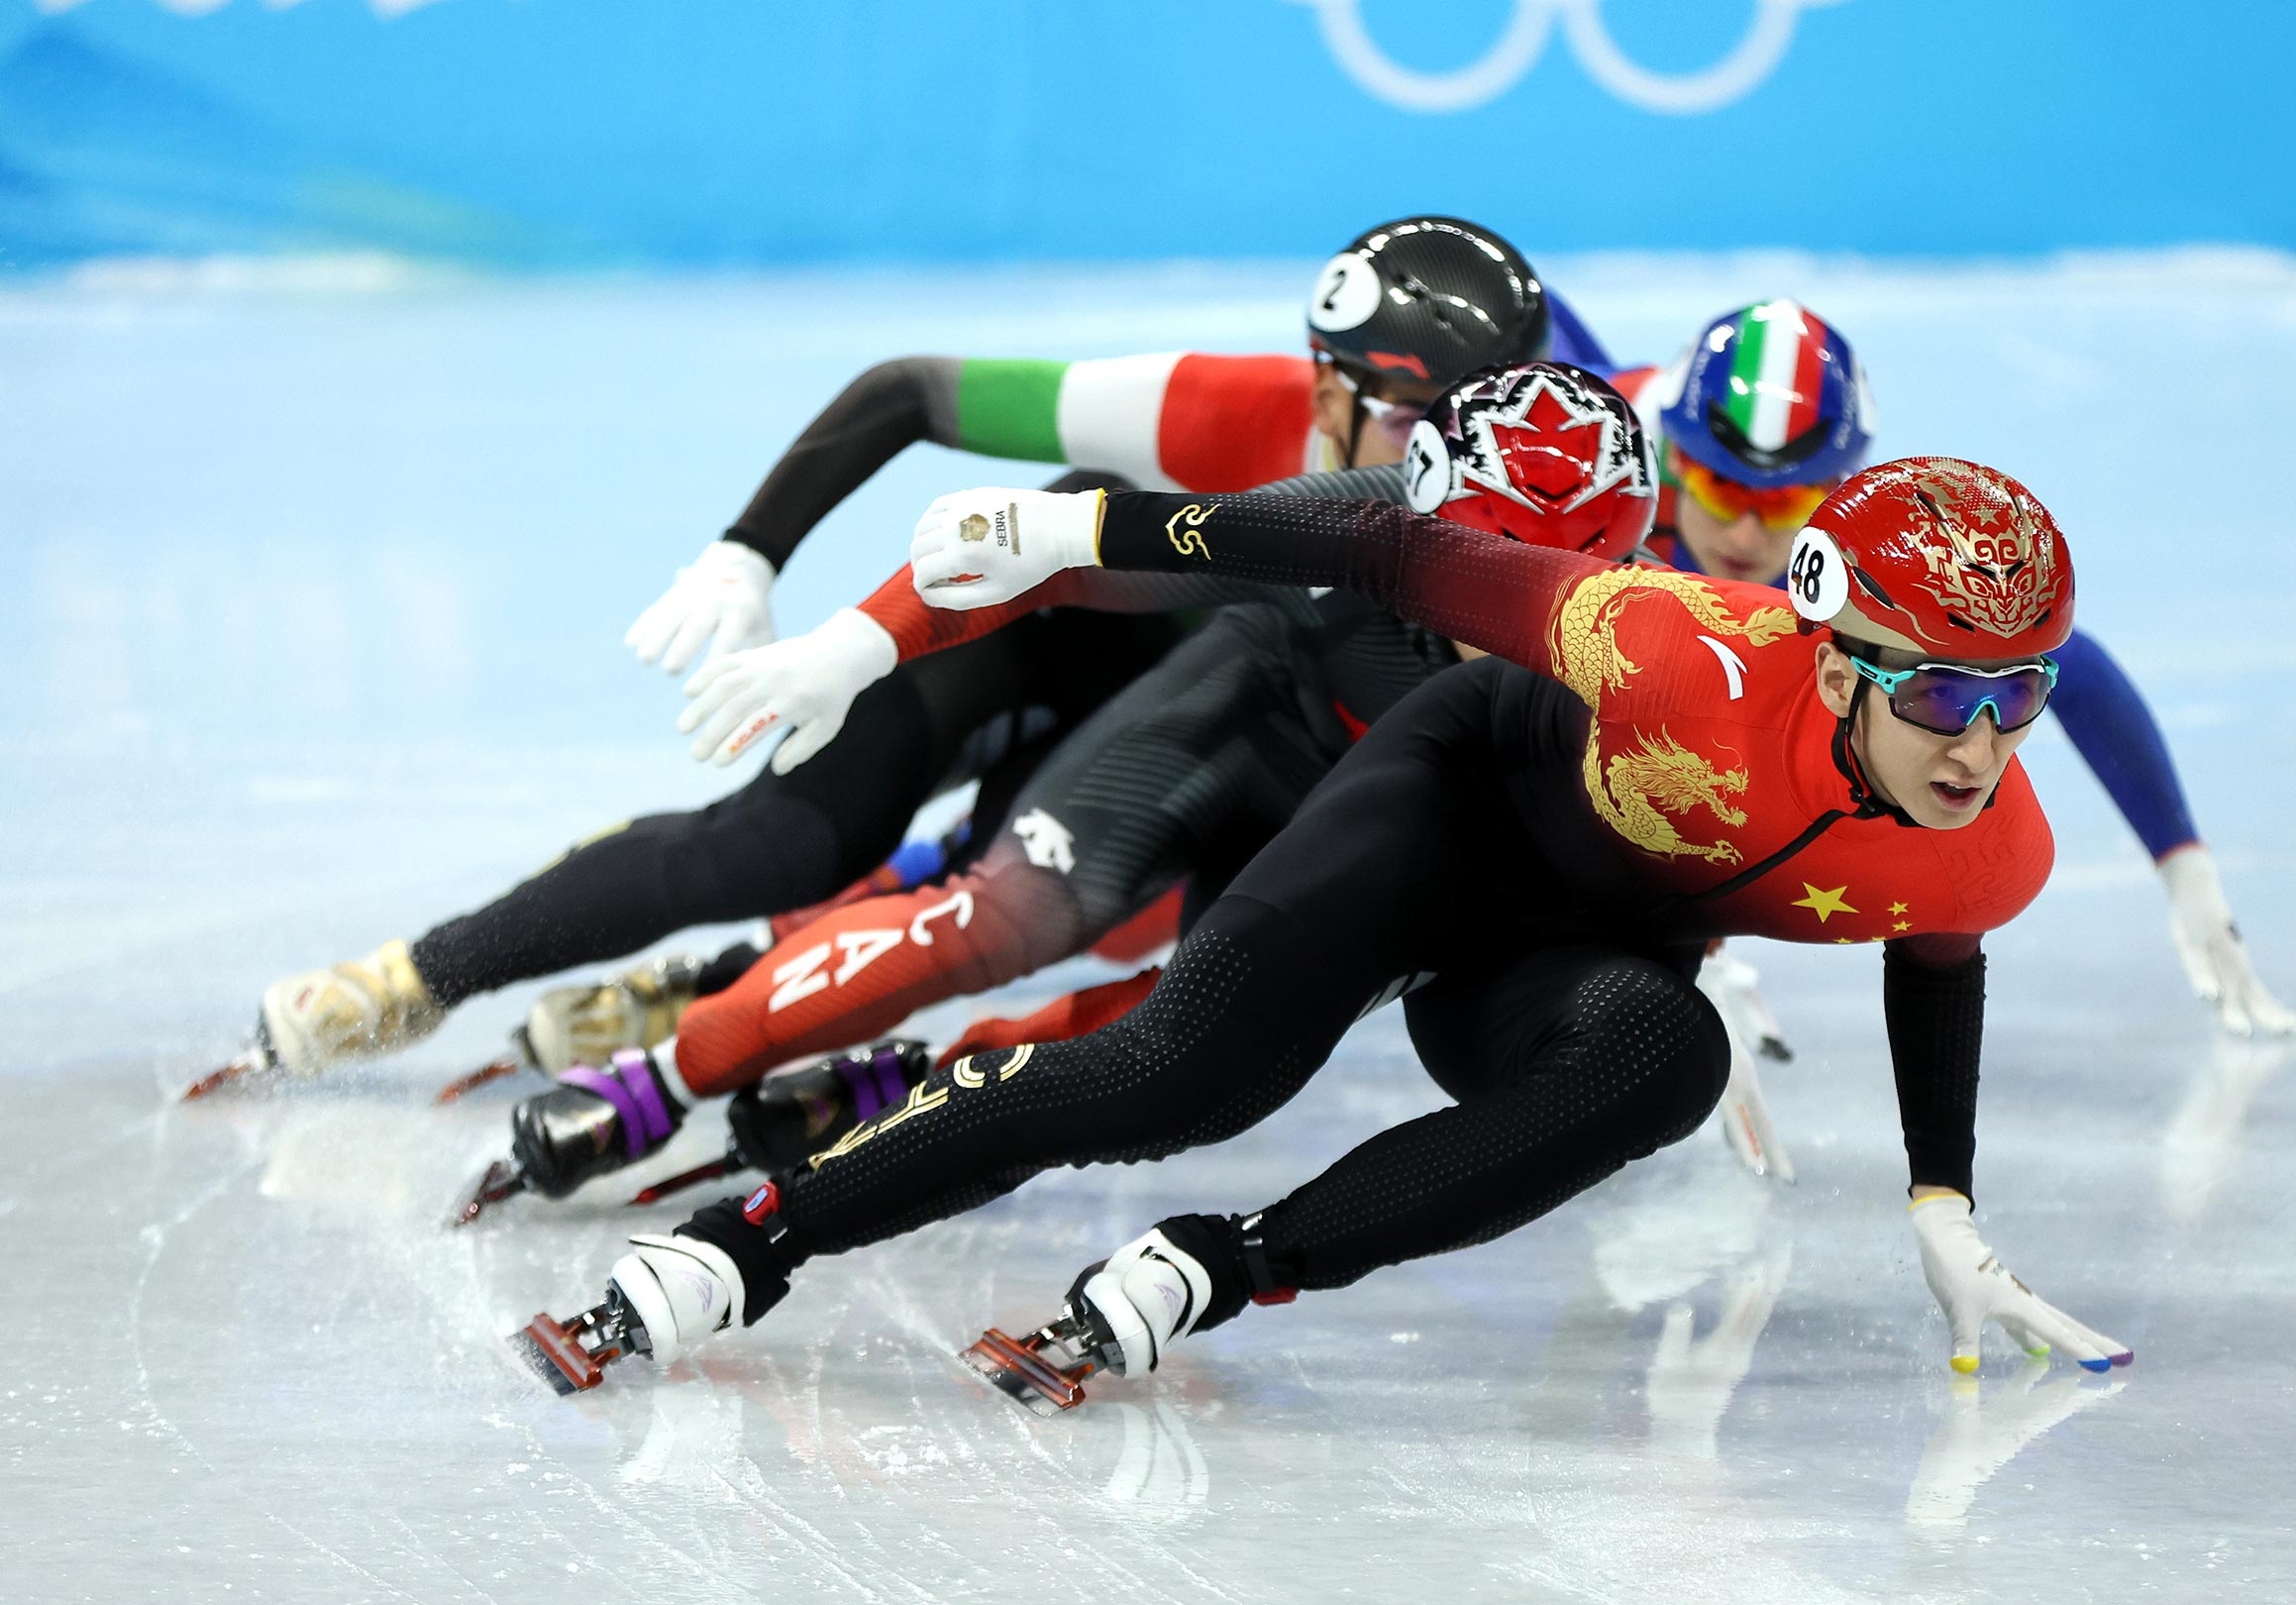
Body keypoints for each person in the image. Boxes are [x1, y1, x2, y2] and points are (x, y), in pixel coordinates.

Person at [520, 456, 2132, 1400]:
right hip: (1441, 817)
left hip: (1556, 970)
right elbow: (1388, 543)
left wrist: (1941, 1198)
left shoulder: (1994, 845)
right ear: (1836, 652)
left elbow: (1940, 951)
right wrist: (1093, 535)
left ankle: (1220, 1269)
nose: (1981, 744)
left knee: (1670, 1055)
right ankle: (751, 1240)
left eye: (2020, 694)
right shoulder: (1669, 646)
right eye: (1942, 691)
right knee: (1179, 1081)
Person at [213, 216, 1567, 1090]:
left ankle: (720, 993)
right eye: (1415, 430)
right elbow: (909, 392)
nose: (1451, 471)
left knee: (1155, 930)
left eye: (1483, 428)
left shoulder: (1532, 468)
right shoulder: (1217, 407)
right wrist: (750, 553)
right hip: (1036, 635)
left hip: (1205, 711)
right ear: (1327, 388)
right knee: (780, 839)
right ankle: (415, 978)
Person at [475, 362, 1702, 1211]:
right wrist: (854, 647)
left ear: (1640, 553)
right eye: (1486, 563)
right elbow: (1053, 552)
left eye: (1577, 576)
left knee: (1188, 1034)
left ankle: (928, 1083)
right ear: (1416, 525)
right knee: (994, 921)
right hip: (1232, 726)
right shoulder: (1349, 522)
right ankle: (663, 1077)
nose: (1525, 607)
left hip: (1373, 818)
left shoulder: (1669, 640)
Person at [1626, 301, 2294, 1036]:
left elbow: (2067, 662)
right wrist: (1678, 947)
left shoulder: (1862, 548)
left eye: (1787, 501)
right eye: (1722, 489)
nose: (1747, 531)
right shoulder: (1611, 507)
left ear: (1837, 486)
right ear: (1674, 462)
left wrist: (2184, 865)